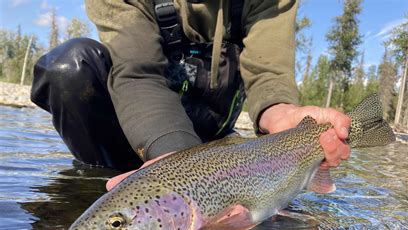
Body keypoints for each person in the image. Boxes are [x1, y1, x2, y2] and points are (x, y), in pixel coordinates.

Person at [31, 0, 350, 191]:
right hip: (134, 131)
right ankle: (92, 188)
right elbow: (138, 72)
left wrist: (282, 114)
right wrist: (178, 170)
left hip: (215, 155)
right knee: (67, 67)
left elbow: (268, 73)